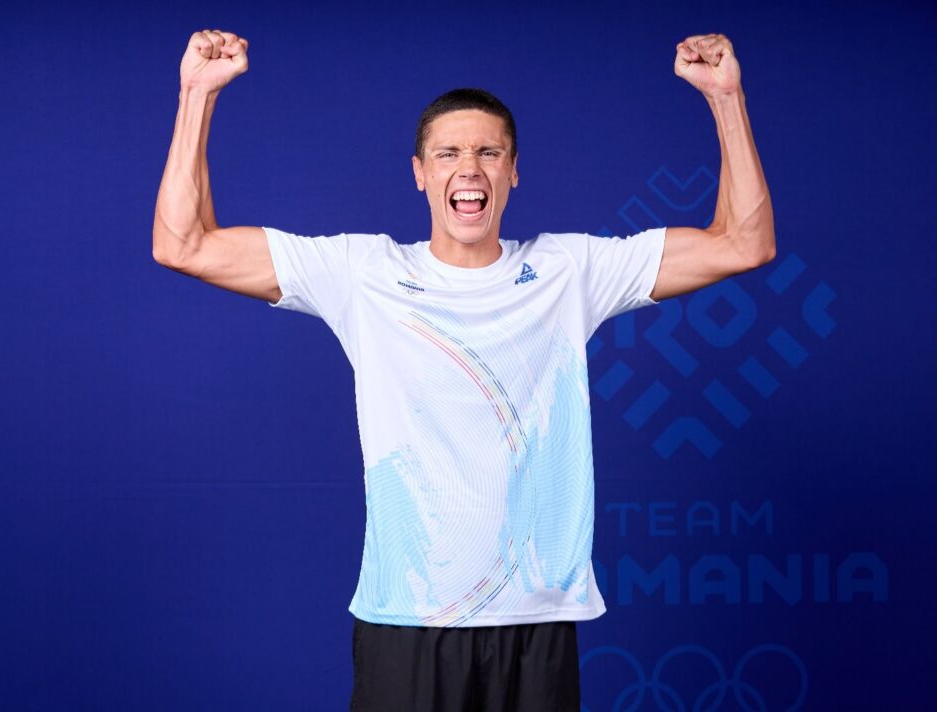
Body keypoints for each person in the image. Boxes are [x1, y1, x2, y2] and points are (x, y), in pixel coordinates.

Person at [152, 29, 774, 712]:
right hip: (407, 620)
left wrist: (727, 98)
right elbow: (184, 244)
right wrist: (196, 95)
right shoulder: (363, 273)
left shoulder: (569, 270)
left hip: (535, 620)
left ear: (513, 171)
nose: (469, 168)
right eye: (448, 153)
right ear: (419, 172)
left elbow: (743, 243)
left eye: (488, 152)